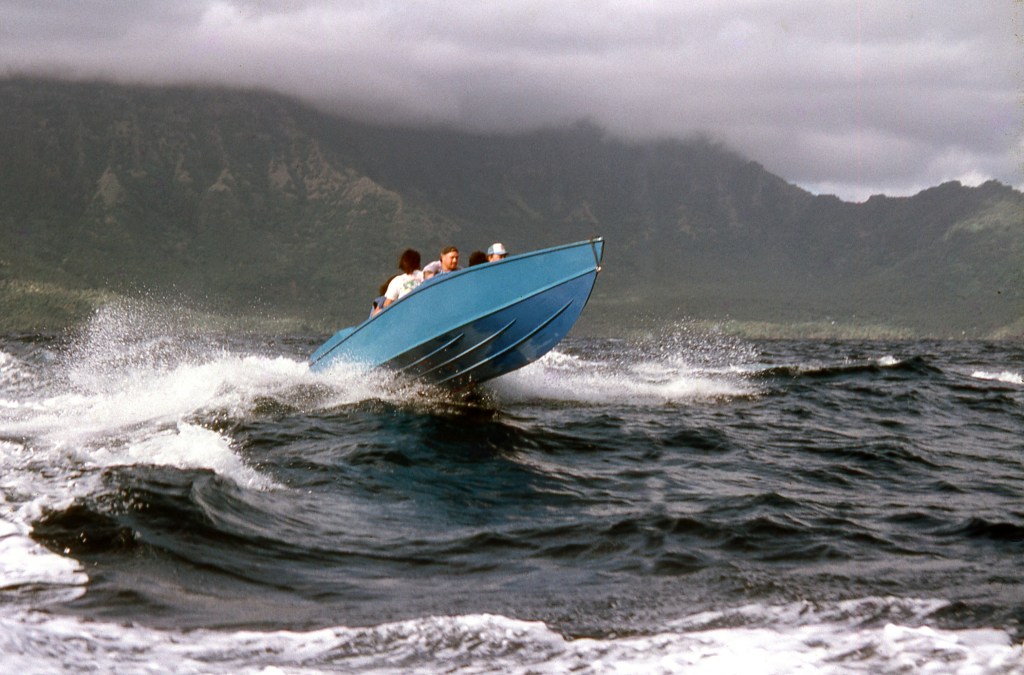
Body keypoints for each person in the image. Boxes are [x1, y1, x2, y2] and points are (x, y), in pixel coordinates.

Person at [375, 249, 423, 314]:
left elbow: (387, 304)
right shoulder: (424, 275)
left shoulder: (397, 281)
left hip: (404, 313)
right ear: (418, 263)